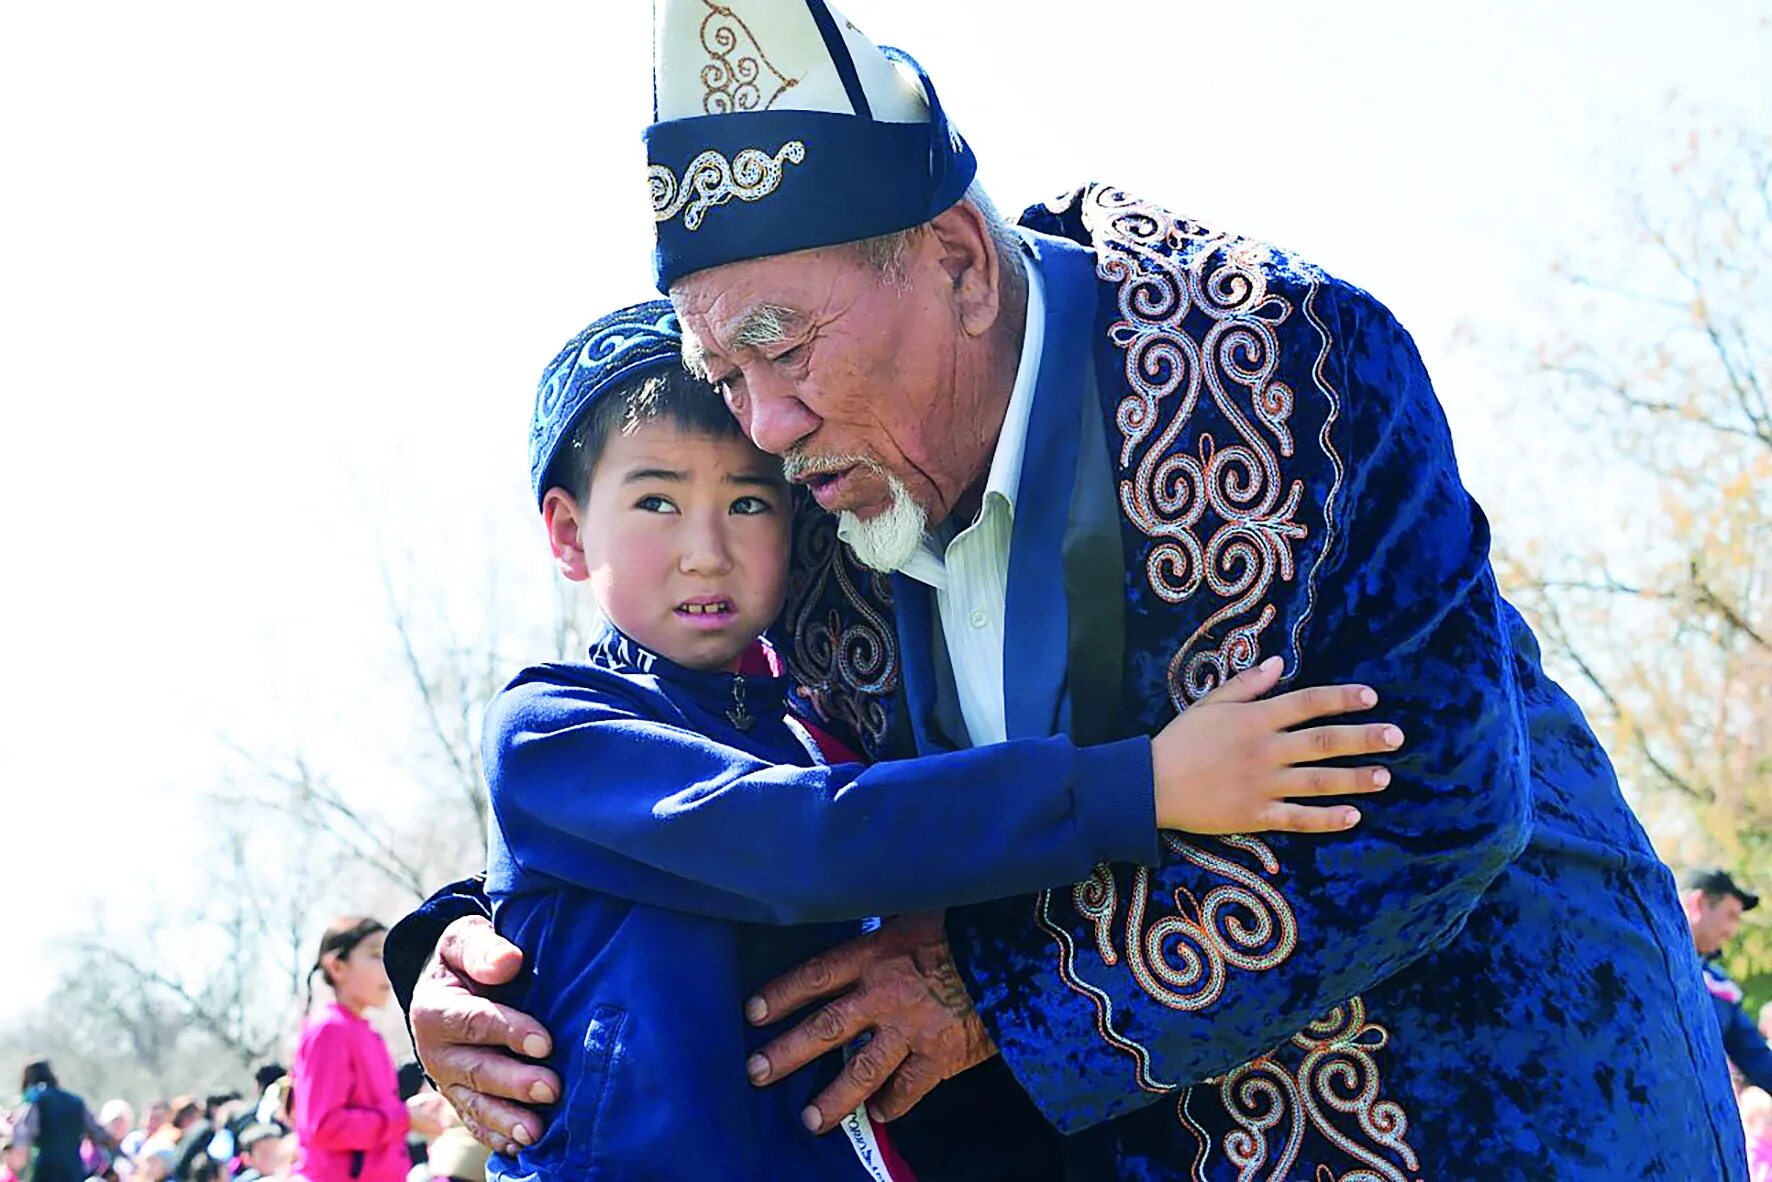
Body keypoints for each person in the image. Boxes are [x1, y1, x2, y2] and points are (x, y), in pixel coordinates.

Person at [391, 1, 1745, 1177]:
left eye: (781, 346)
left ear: (962, 264)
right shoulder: (814, 514)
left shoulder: (1286, 371)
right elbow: (715, 780)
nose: (768, 421)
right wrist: (460, 954)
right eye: (727, 374)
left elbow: (1434, 802)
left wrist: (992, 993)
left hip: (1516, 1106)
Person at [472, 303, 1395, 1181]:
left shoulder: (818, 728)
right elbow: (809, 841)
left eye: (750, 503)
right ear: (566, 531)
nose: (706, 549)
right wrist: (1142, 785)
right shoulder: (552, 730)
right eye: (658, 502)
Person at [290, 919, 413, 1182]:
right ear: (337, 966)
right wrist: (405, 1118)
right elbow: (324, 1126)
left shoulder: (366, 1031)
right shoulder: (329, 1029)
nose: (388, 965)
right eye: (376, 955)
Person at [1687, 868, 1772, 1094]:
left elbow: (1757, 1058)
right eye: (1731, 916)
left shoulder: (1720, 988)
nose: (1732, 932)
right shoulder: (1643, 960)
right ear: (1699, 903)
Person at [8, 1060, 118, 1182]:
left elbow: (23, 1136)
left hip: (46, 1171)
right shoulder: (76, 1102)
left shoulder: (36, 1100)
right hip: (73, 1171)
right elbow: (99, 1134)